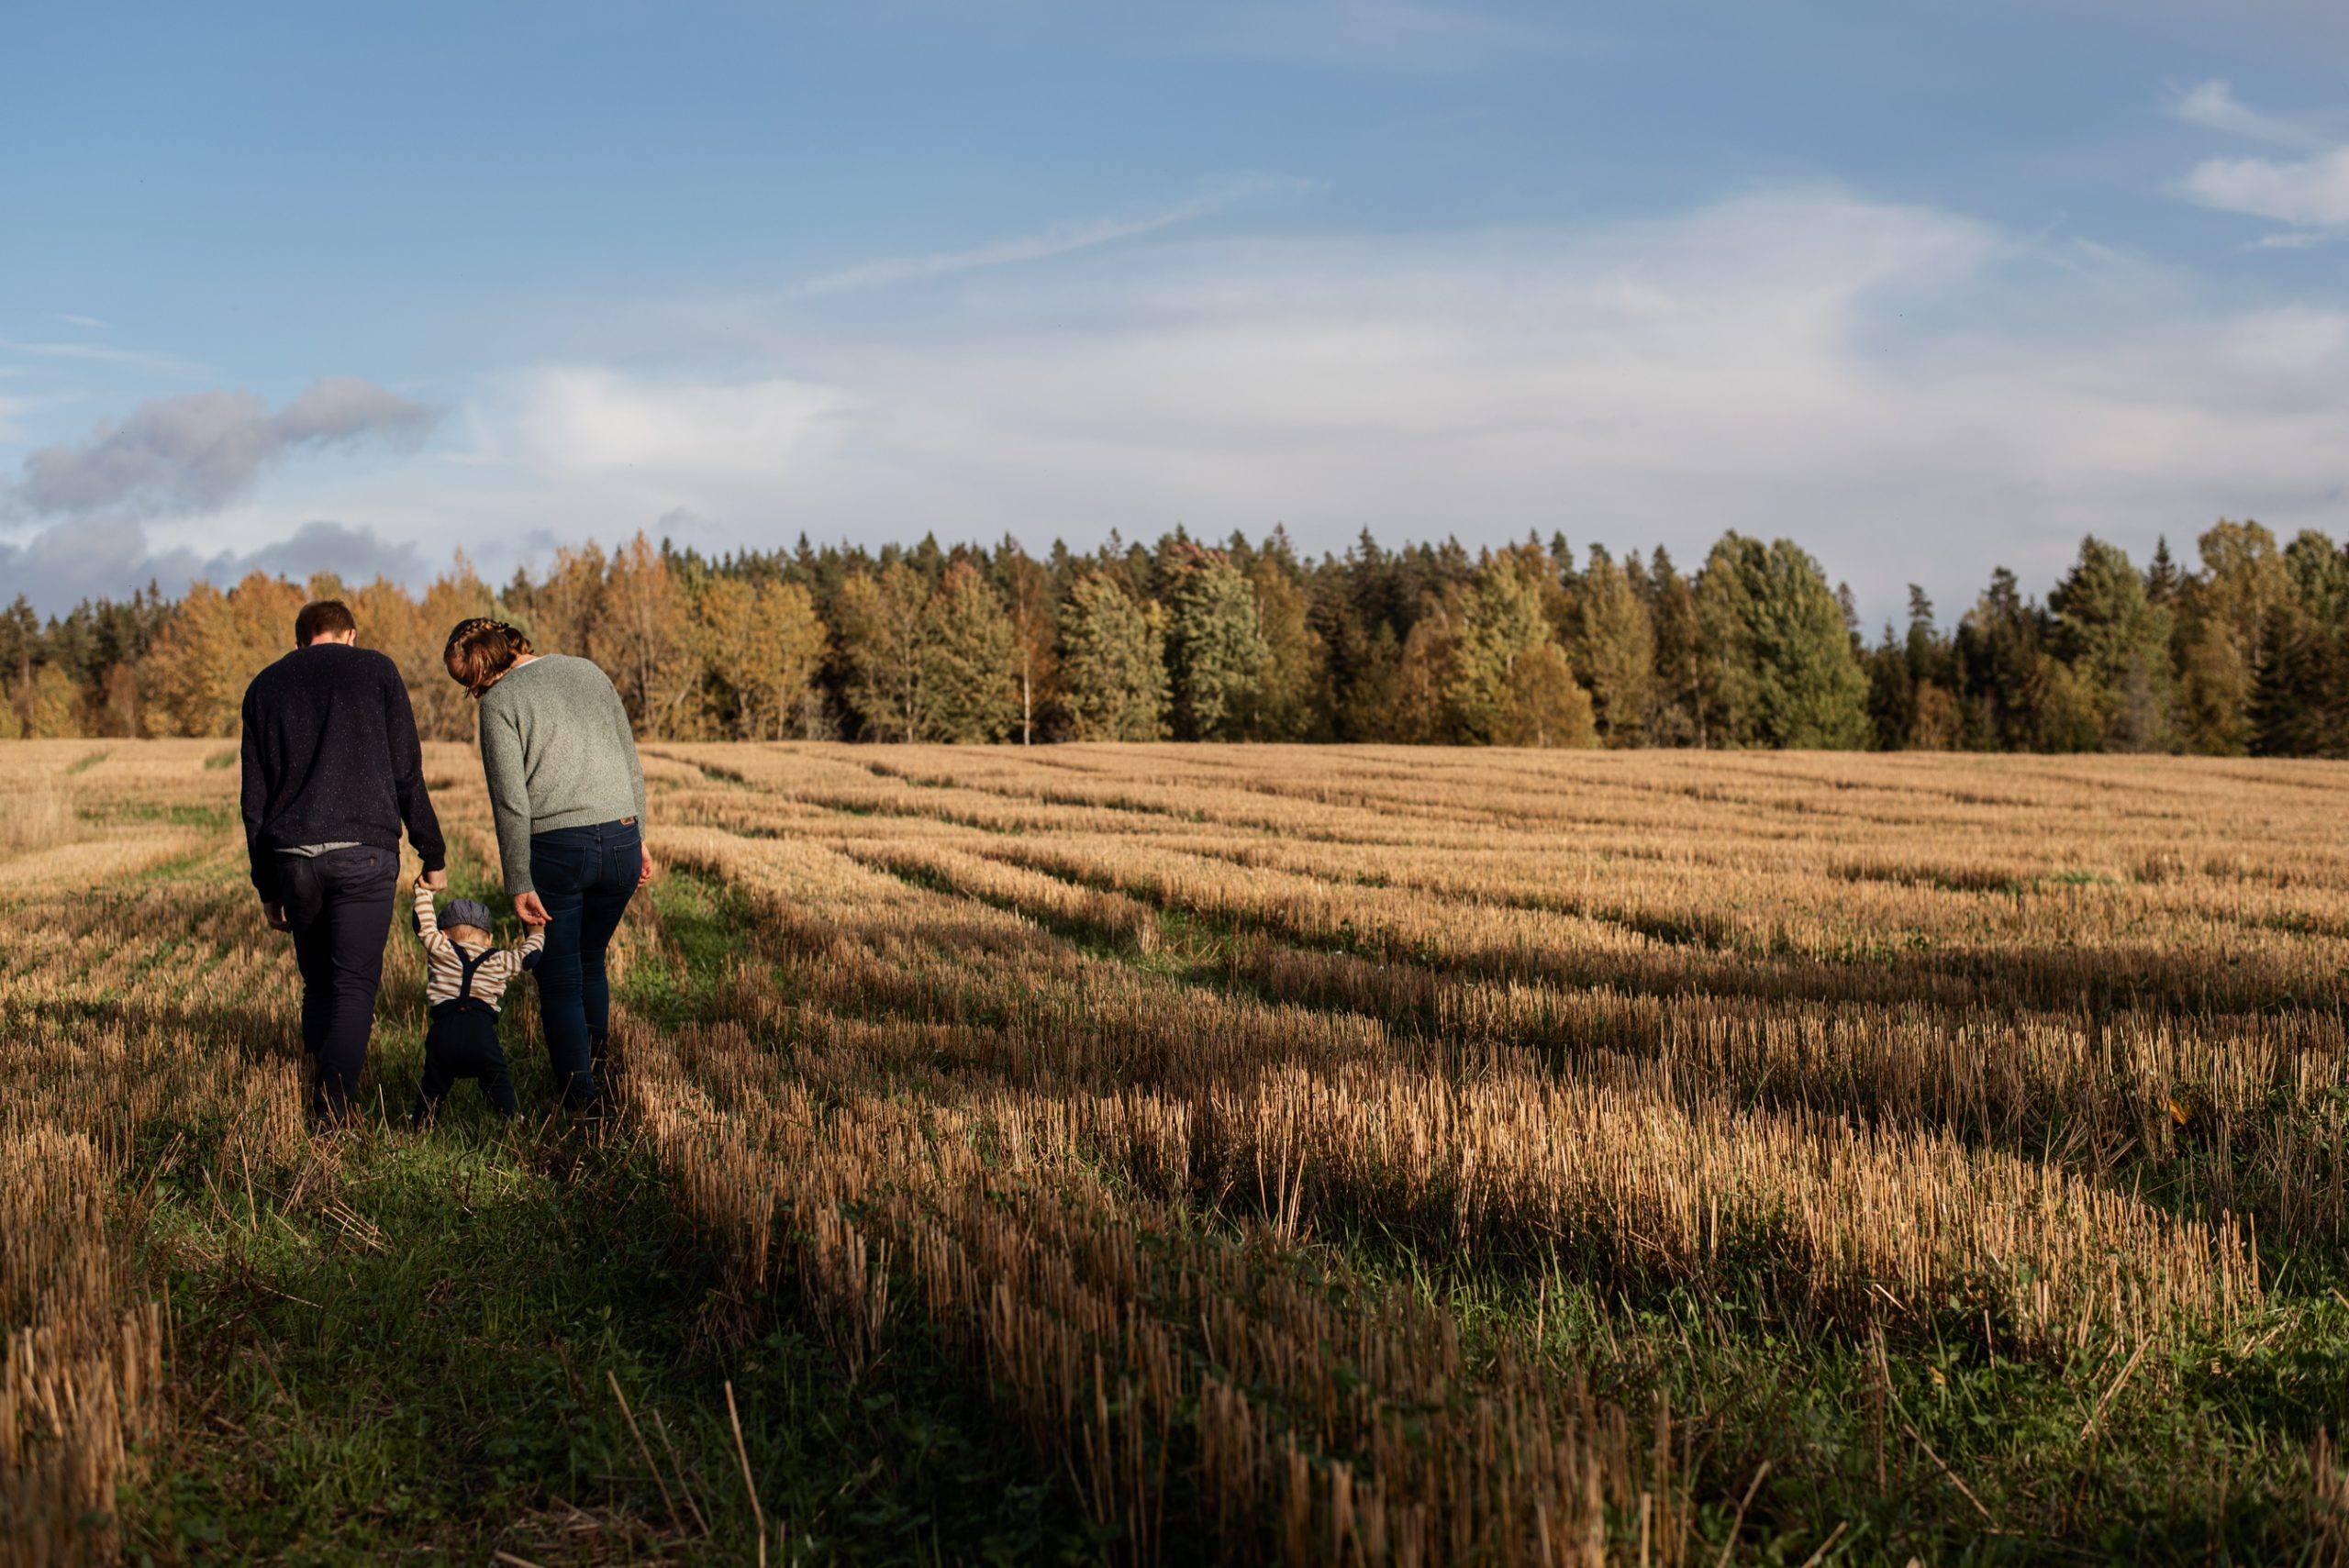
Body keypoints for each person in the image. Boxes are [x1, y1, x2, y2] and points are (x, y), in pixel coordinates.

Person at [240, 598, 447, 1123]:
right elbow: (407, 772)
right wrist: (433, 851)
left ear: (298, 641)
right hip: (366, 855)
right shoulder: (377, 670)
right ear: (351, 634)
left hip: (294, 860)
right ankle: (331, 1108)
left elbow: (254, 802)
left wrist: (267, 887)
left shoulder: (265, 686)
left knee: (319, 981)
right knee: (354, 983)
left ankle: (318, 1075)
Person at [443, 617, 651, 1110]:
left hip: (560, 850)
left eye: (467, 681)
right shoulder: (587, 671)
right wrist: (639, 835)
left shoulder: (500, 703)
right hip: (621, 836)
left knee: (559, 978)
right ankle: (599, 1069)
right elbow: (630, 760)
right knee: (590, 960)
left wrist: (518, 878)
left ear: (482, 670)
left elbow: (511, 802)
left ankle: (579, 1100)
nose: (470, 693)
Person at [408, 883, 544, 1126]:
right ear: (489, 938)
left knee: (433, 1083)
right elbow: (529, 957)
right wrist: (536, 929)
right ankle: (512, 1117)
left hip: (444, 1034)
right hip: (481, 1035)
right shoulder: (497, 959)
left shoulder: (440, 948)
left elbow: (422, 925)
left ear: (444, 934)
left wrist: (424, 891)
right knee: (497, 1079)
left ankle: (422, 1121)